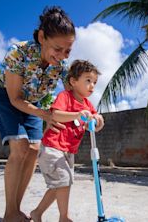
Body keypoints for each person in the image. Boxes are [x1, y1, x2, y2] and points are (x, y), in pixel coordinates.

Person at [0, 6, 77, 222]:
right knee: (19, 148)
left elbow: (75, 94)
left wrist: (91, 114)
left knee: (34, 149)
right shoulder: (18, 53)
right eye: (58, 49)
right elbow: (15, 99)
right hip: (7, 97)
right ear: (42, 37)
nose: (62, 56)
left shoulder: (62, 66)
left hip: (34, 102)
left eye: (67, 51)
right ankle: (10, 212)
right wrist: (45, 115)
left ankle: (16, 209)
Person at [30, 60, 105, 222]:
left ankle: (37, 212)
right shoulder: (65, 97)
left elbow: (90, 126)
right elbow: (56, 115)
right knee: (63, 182)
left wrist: (98, 121)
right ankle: (64, 217)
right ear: (73, 81)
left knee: (62, 184)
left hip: (68, 151)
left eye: (94, 82)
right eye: (88, 80)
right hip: (53, 147)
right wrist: (77, 115)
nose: (92, 86)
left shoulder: (88, 104)